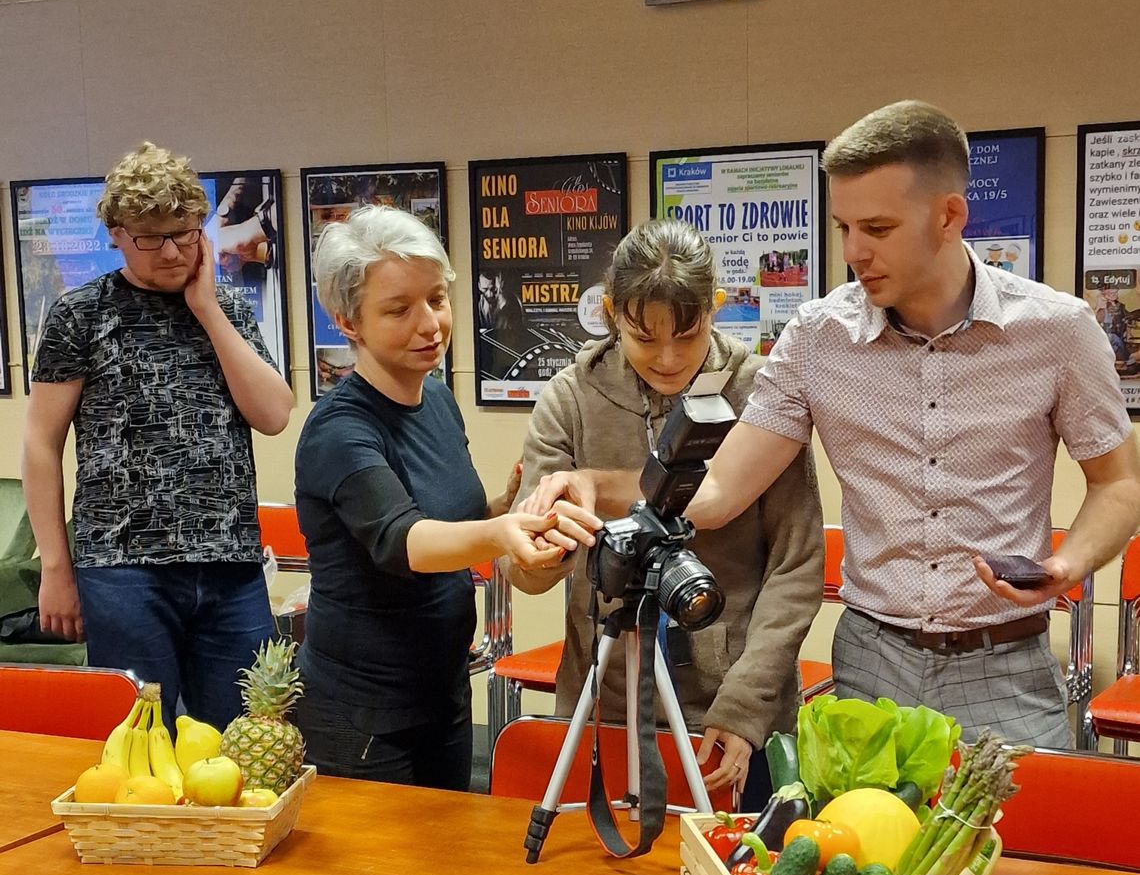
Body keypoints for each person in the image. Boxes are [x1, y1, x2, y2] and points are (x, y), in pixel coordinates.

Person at [684, 100, 1140, 749]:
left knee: (1017, 852)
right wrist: (602, 489)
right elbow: (720, 493)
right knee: (858, 849)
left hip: (1004, 666)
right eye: (844, 226)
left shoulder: (1059, 331)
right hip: (872, 662)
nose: (853, 252)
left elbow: (1118, 484)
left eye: (877, 227)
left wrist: (1067, 564)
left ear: (950, 215)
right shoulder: (816, 338)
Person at [511, 218, 825, 806]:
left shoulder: (762, 393)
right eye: (645, 336)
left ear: (717, 306)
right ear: (610, 310)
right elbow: (529, 574)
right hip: (603, 701)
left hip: (729, 717)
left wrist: (746, 706)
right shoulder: (570, 398)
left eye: (689, 332)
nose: (668, 356)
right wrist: (539, 550)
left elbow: (796, 563)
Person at [292, 206, 571, 791]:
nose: (431, 325)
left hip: (441, 690)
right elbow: (403, 540)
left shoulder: (438, 399)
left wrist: (509, 509)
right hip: (364, 713)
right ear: (348, 322)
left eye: (437, 300)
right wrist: (498, 535)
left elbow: (452, 520)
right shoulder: (339, 429)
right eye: (399, 310)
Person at [23, 142, 294, 731]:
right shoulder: (80, 315)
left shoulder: (228, 310)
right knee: (141, 748)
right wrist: (55, 569)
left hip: (230, 563)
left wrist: (208, 311)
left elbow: (274, 415)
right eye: (152, 237)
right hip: (122, 568)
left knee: (247, 740)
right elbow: (42, 446)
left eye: (186, 233)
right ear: (117, 234)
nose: (172, 251)